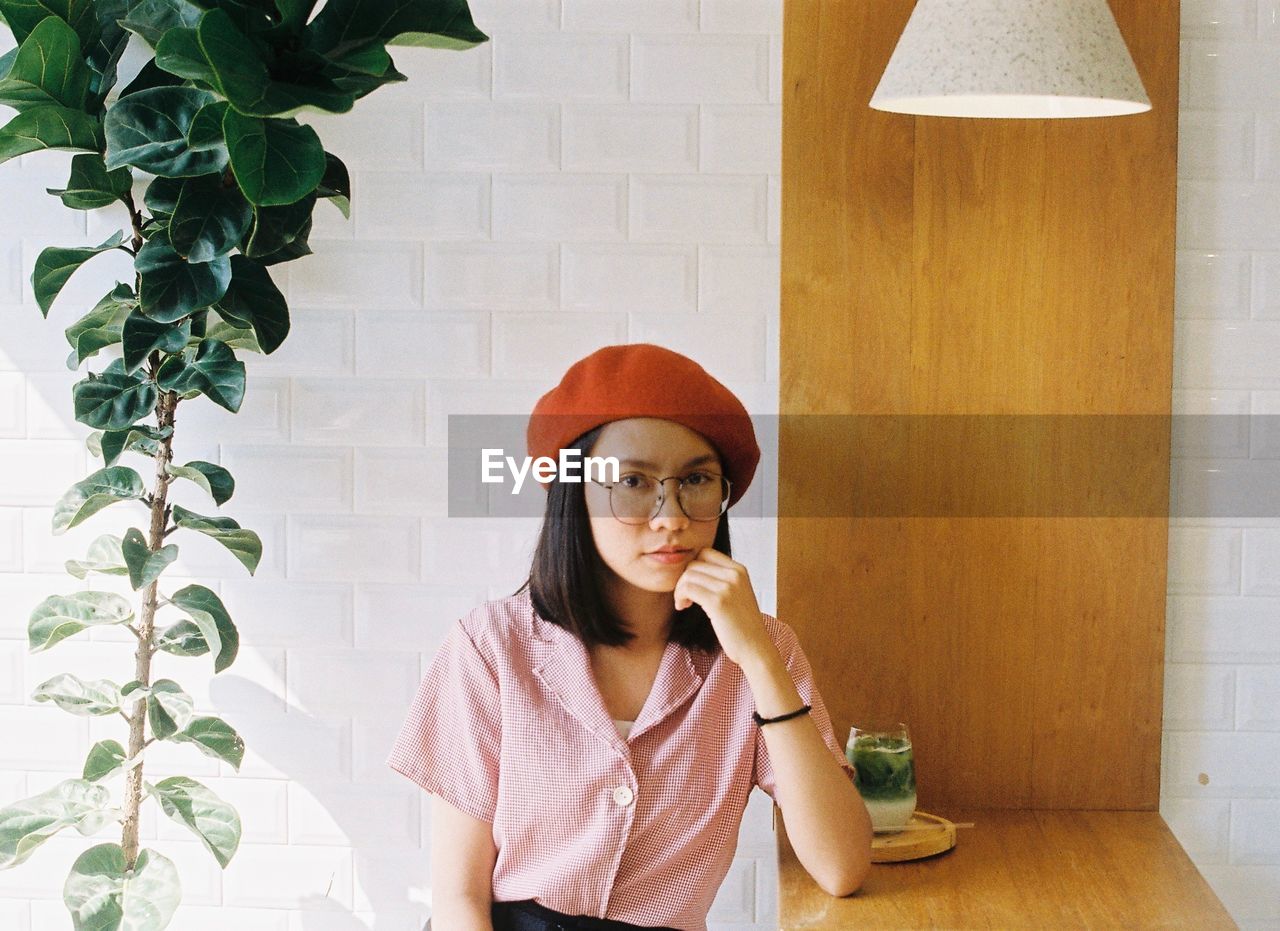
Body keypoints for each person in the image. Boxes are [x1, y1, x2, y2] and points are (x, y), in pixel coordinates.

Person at [387, 343, 872, 931]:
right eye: (633, 482)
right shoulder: (490, 647)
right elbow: (459, 899)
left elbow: (842, 866)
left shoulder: (762, 650)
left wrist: (761, 664)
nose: (671, 516)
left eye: (696, 479)